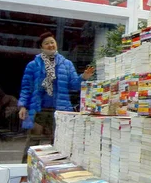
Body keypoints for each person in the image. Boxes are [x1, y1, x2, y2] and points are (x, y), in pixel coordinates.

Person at [18, 32, 94, 163]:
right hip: (39, 109)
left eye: (52, 42)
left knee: (58, 142)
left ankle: (51, 172)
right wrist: (22, 106)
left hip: (60, 109)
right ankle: (25, 168)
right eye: (46, 43)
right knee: (34, 141)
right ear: (41, 47)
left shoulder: (66, 64)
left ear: (56, 44)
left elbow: (74, 85)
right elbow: (26, 87)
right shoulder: (33, 65)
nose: (50, 45)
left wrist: (83, 78)